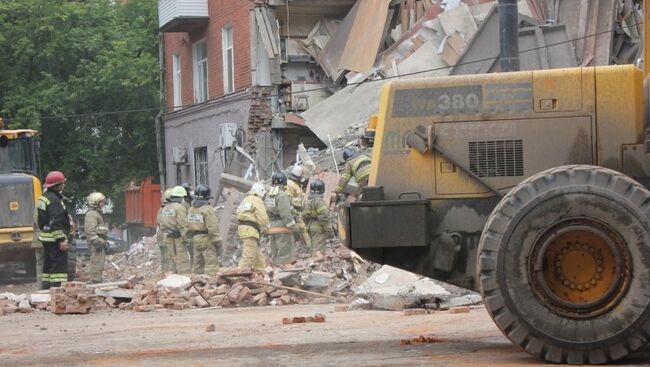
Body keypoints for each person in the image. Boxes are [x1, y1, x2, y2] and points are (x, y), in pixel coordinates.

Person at [36, 171, 71, 289]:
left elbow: (41, 221)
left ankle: (46, 290)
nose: (64, 185)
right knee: (58, 268)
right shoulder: (54, 200)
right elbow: (56, 221)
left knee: (47, 266)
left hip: (46, 238)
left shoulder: (43, 198)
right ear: (57, 185)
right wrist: (62, 240)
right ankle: (57, 291)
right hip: (55, 240)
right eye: (62, 183)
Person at [186, 185, 222, 275]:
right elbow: (213, 227)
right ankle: (211, 285)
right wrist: (218, 243)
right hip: (207, 239)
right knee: (211, 265)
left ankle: (196, 285)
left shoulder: (191, 210)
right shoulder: (208, 210)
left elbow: (187, 225)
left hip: (195, 239)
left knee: (197, 265)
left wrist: (189, 240)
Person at [264, 172, 299, 265]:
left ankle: (275, 275)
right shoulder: (282, 195)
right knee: (284, 255)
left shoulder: (268, 196)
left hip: (273, 227)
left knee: (275, 254)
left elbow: (266, 212)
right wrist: (294, 228)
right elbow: (286, 215)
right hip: (283, 227)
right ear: (284, 183)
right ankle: (282, 276)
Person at [236, 182, 269, 270]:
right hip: (250, 229)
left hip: (243, 228)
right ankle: (238, 275)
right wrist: (266, 229)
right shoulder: (257, 200)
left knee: (258, 255)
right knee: (249, 255)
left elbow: (237, 212)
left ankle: (261, 273)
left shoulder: (246, 199)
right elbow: (262, 217)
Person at [158, 186, 191, 274]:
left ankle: (172, 282)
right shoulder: (179, 207)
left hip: (167, 237)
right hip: (178, 238)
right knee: (182, 262)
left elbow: (161, 225)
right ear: (181, 197)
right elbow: (183, 225)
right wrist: (186, 239)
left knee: (172, 261)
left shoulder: (165, 208)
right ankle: (184, 282)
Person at [302, 179, 334, 256]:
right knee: (318, 251)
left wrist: (308, 225)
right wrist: (329, 230)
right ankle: (316, 265)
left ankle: (311, 265)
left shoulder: (307, 202)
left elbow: (304, 216)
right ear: (322, 190)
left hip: (310, 228)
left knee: (313, 249)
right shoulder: (319, 201)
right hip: (319, 229)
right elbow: (324, 217)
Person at [84, 192, 108, 283]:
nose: (103, 204)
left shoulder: (97, 214)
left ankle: (97, 278)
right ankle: (94, 280)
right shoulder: (91, 214)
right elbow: (90, 232)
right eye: (101, 202)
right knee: (96, 261)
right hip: (96, 244)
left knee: (100, 262)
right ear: (95, 202)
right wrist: (99, 242)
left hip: (100, 242)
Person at [286, 165, 311, 249]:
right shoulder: (290, 185)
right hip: (293, 210)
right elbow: (288, 199)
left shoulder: (292, 184)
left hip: (295, 210)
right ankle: (310, 247)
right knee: (303, 228)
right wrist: (302, 201)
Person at [156, 188, 174, 274]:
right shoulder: (172, 208)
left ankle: (164, 273)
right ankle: (169, 275)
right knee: (170, 257)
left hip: (160, 234)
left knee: (164, 257)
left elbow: (158, 221)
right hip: (168, 234)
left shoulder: (161, 209)